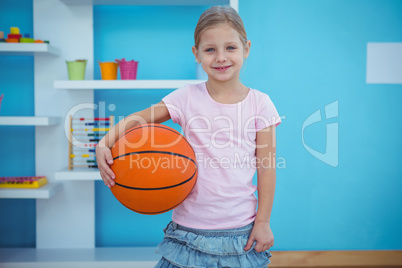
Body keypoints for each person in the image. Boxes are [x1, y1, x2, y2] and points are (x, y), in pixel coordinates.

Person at [96, 5, 282, 268]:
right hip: (187, 231)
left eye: (230, 47)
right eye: (210, 49)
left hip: (240, 232)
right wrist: (104, 142)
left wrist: (262, 223)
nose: (220, 57)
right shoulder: (185, 97)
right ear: (196, 54)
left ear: (246, 49)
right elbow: (138, 118)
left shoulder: (261, 104)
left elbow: (267, 168)